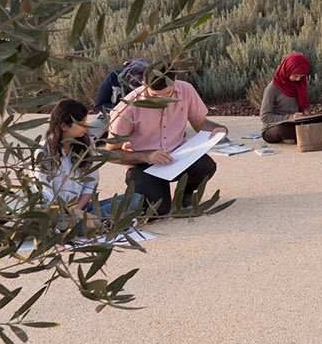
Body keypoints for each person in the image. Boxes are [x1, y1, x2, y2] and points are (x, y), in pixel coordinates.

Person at [107, 68, 229, 216]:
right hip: (142, 164)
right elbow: (110, 153)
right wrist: (147, 156)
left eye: (167, 94)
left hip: (178, 157)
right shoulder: (127, 108)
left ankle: (185, 194)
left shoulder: (186, 90)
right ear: (144, 85)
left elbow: (200, 124)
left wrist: (219, 129)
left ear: (175, 80)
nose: (162, 100)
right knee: (158, 211)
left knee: (205, 166)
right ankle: (145, 193)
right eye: (156, 96)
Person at [41, 98, 115, 229]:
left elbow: (91, 182)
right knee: (66, 223)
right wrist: (71, 212)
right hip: (54, 211)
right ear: (64, 126)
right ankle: (95, 223)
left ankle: (90, 222)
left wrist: (78, 209)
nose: (86, 125)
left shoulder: (86, 145)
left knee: (135, 199)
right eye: (81, 122)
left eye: (86, 121)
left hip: (80, 206)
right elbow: (45, 190)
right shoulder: (43, 152)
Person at [260, 52, 313, 142]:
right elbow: (265, 116)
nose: (298, 79)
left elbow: (300, 109)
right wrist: (291, 117)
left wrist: (305, 115)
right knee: (283, 130)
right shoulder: (272, 88)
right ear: (287, 70)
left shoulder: (299, 84)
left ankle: (300, 136)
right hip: (273, 127)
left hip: (295, 123)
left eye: (301, 76)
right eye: (296, 76)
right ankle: (305, 135)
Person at [92, 58, 149, 124]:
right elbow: (99, 104)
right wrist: (120, 109)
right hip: (113, 115)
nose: (137, 91)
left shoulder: (152, 83)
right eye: (135, 88)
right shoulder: (113, 78)